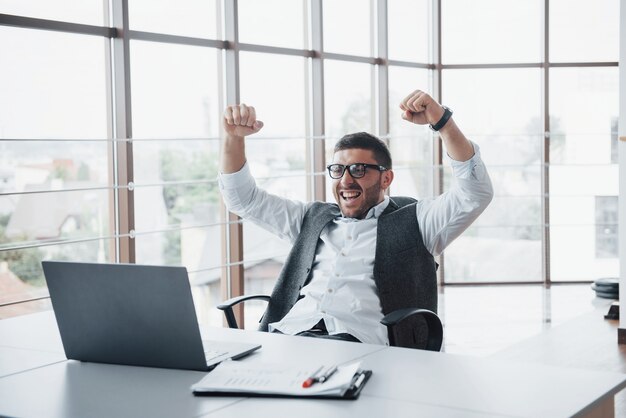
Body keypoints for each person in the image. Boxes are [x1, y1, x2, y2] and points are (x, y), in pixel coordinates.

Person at [219, 89, 493, 347]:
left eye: (359, 169)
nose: (346, 180)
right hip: (288, 336)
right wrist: (234, 138)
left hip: (356, 344)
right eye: (338, 169)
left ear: (386, 178)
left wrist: (442, 122)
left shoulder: (418, 221)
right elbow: (243, 199)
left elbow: (475, 192)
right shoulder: (311, 219)